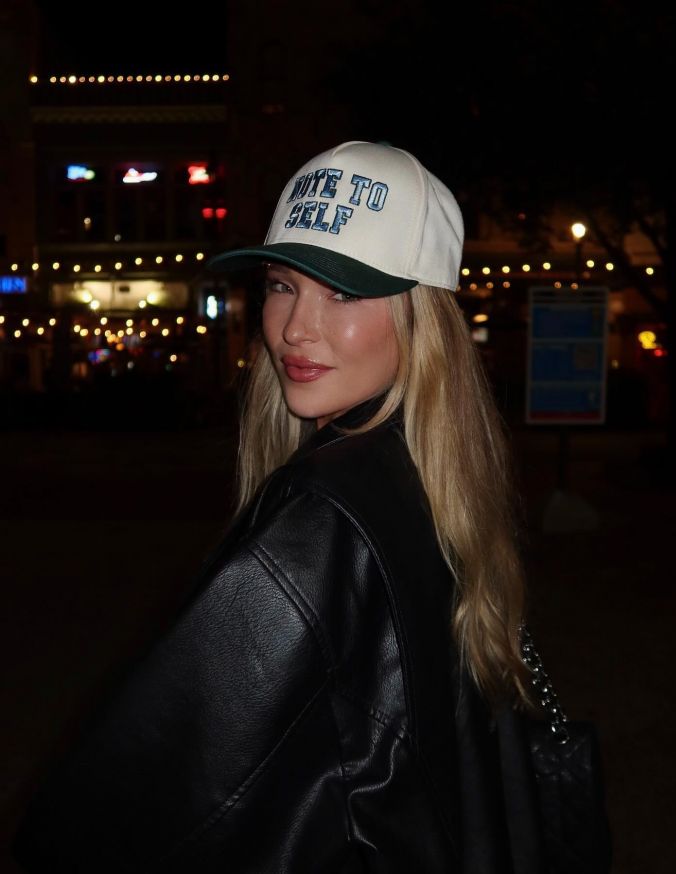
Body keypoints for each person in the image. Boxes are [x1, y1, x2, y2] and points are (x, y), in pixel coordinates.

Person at [12, 141, 547, 873]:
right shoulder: (428, 479)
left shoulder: (319, 515)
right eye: (281, 284)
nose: (295, 327)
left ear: (421, 318)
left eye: (344, 293)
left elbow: (136, 794)